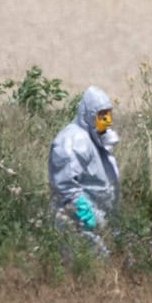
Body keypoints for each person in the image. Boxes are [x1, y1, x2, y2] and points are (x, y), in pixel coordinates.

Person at [48, 86, 120, 256]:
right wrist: (83, 210)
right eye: (103, 116)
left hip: (97, 218)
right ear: (89, 115)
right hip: (77, 220)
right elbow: (64, 183)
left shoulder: (93, 139)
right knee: (87, 263)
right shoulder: (73, 140)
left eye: (109, 115)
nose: (108, 121)